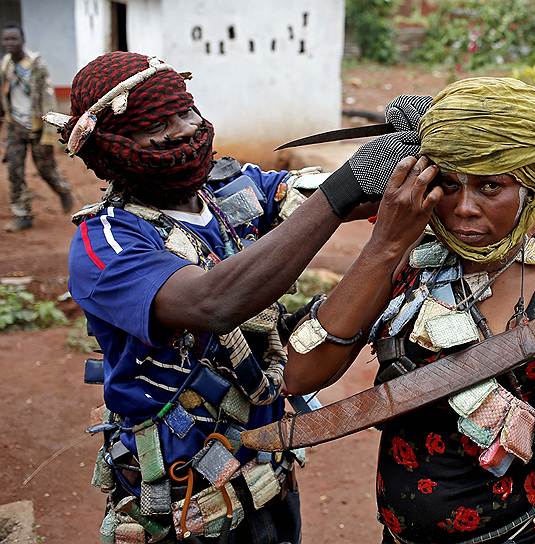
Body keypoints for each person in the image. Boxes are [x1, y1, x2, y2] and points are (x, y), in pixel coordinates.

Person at [55, 50, 427, 543]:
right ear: (112, 147)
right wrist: (343, 190)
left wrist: (419, 148)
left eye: (187, 111)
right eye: (157, 126)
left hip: (264, 479)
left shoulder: (230, 189)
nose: (185, 129)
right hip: (182, 506)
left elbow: (323, 196)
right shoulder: (105, 244)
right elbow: (213, 303)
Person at [284, 77, 535, 544]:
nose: (464, 209)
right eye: (449, 184)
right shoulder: (406, 263)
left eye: (490, 187)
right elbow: (301, 375)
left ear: (530, 187)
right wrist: (385, 245)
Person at [0, 23, 73, 232]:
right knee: (14, 170)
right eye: (6, 39)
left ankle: (63, 190)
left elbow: (48, 97)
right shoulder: (6, 64)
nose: (10, 43)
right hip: (15, 126)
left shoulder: (36, 66)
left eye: (14, 39)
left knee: (45, 170)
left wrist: (50, 131)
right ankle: (22, 214)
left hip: (38, 127)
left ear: (23, 40)